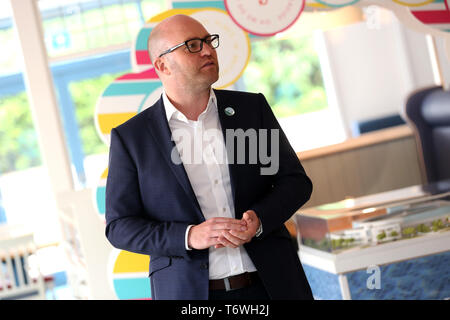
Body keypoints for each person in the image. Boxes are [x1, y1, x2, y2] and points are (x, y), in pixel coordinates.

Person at [105, 14, 314, 300]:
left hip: (272, 285)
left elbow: (295, 182)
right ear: (162, 64)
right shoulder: (132, 138)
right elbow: (120, 226)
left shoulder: (251, 110)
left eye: (208, 41)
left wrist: (260, 219)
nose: (207, 50)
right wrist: (190, 236)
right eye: (192, 45)